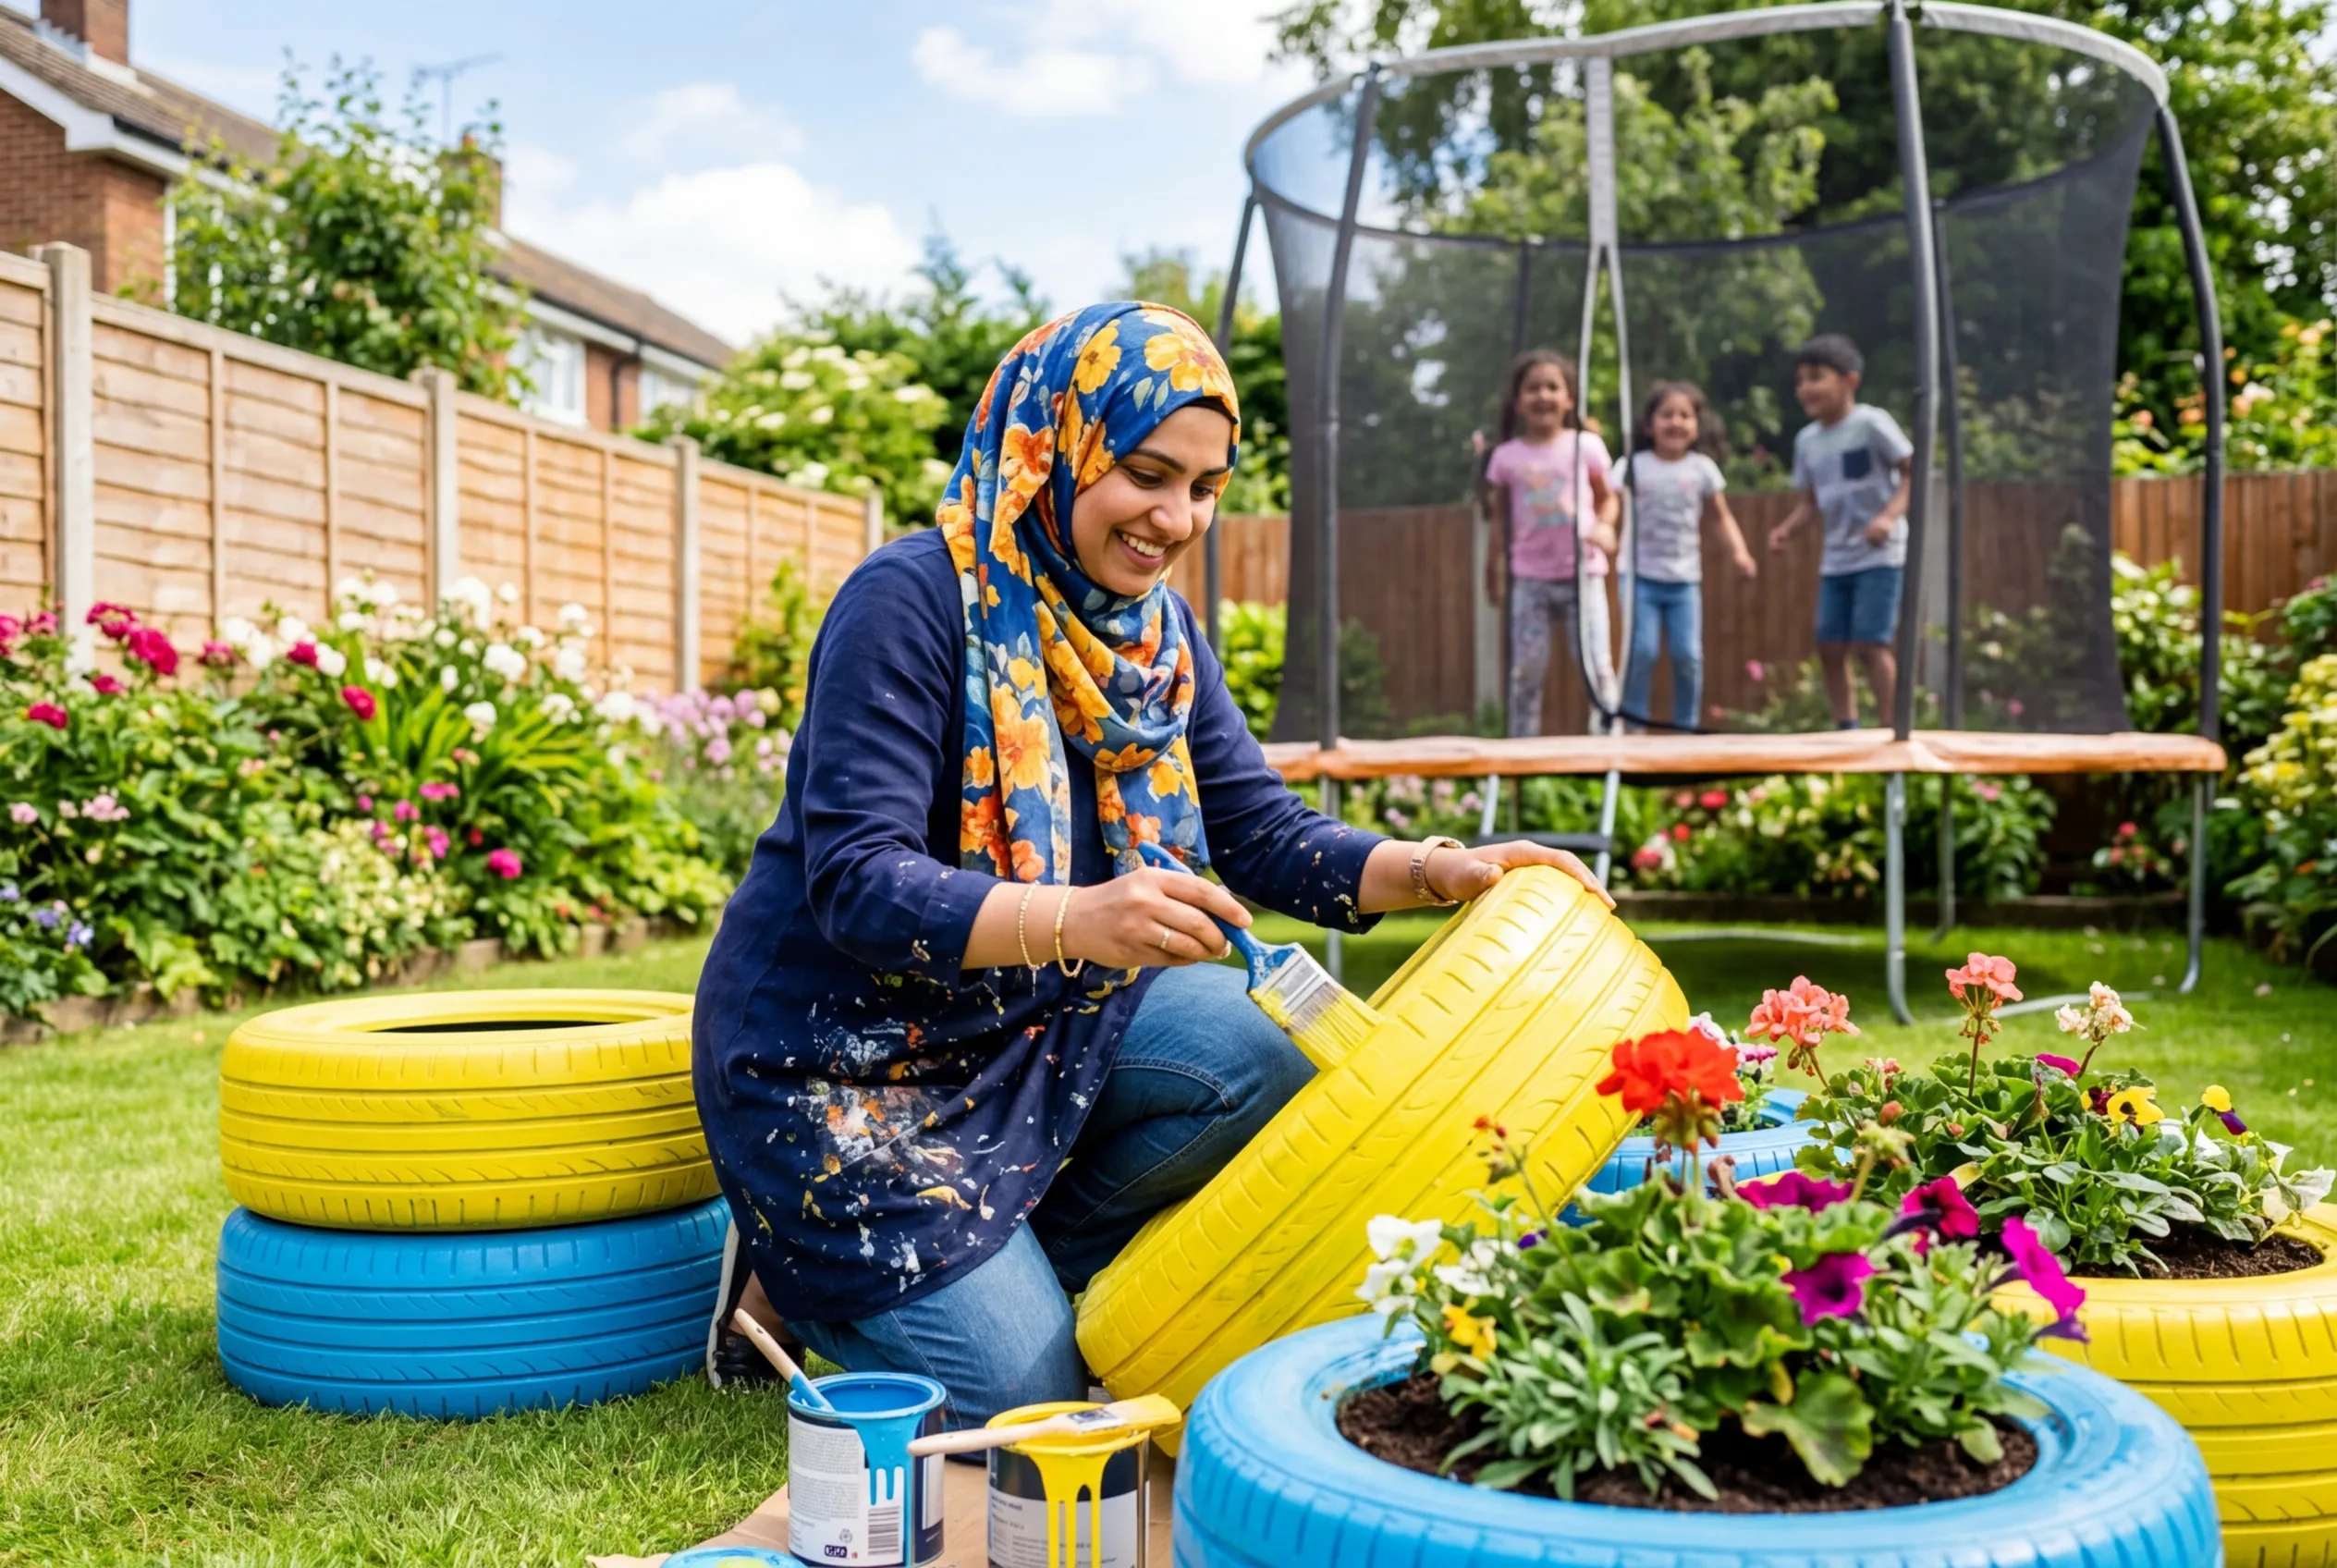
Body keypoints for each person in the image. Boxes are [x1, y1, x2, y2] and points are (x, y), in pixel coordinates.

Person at [692, 301, 1608, 1430]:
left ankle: (1000, 1242)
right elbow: (856, 882)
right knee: (1024, 1399)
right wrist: (1078, 920)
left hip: (1028, 1032)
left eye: (1206, 486)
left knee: (1261, 1041)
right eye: (1143, 472)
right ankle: (789, 1280)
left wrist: (1434, 868)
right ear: (1056, 444)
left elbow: (1261, 832)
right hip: (843, 1064)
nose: (1176, 518)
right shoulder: (913, 601)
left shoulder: (1154, 635)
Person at [1767, 334, 1913, 729]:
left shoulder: (1871, 423)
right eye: (1800, 381)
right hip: (1837, 558)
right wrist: (1787, 530)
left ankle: (1892, 727)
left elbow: (1912, 473)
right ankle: (1846, 726)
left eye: (1816, 378)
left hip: (1880, 555)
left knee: (1870, 643)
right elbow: (1810, 503)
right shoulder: (1807, 441)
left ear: (1850, 380)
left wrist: (1888, 516)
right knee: (1829, 645)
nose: (1805, 389)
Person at [1478, 349, 1622, 737]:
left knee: (1596, 665)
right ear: (1518, 401)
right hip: (1530, 580)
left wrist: (1606, 527)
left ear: (1569, 398)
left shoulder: (1585, 446)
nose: (1543, 396)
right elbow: (1500, 520)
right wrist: (1492, 568)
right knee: (1526, 669)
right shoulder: (1506, 458)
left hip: (1582, 575)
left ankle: (1610, 745)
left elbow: (1608, 498)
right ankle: (1522, 750)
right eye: (1533, 389)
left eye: (1553, 387)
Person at [1618, 381, 1756, 731]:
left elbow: (1720, 516)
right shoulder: (1633, 465)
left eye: (1685, 415)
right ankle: (1633, 725)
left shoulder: (1702, 469)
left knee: (1688, 656)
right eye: (1666, 415)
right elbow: (1610, 504)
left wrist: (1739, 552)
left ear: (1697, 426)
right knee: (1642, 652)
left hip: (1683, 581)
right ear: (1650, 425)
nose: (1675, 422)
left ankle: (1686, 728)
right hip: (1638, 578)